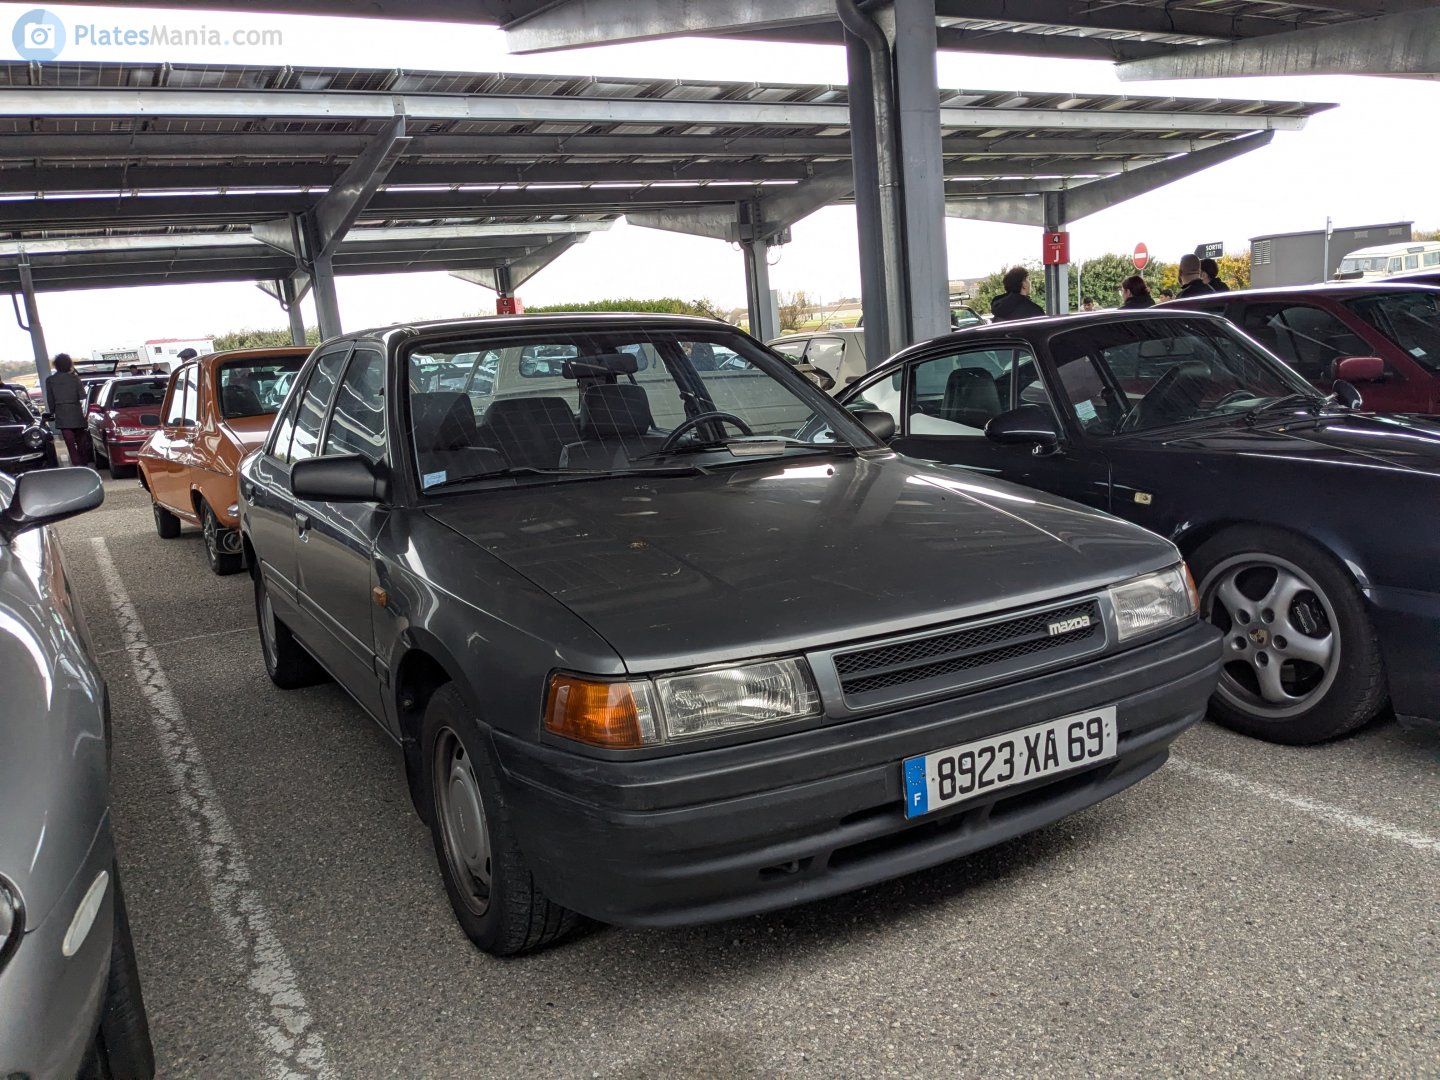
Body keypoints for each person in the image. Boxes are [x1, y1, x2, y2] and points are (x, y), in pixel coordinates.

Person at [45, 353, 92, 467]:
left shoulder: (50, 380)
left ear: (56, 365)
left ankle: (76, 464)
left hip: (61, 412)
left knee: (69, 443)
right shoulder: (75, 378)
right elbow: (82, 396)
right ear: (69, 364)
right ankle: (84, 463)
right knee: (81, 442)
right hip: (76, 412)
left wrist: (52, 412)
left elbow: (50, 399)